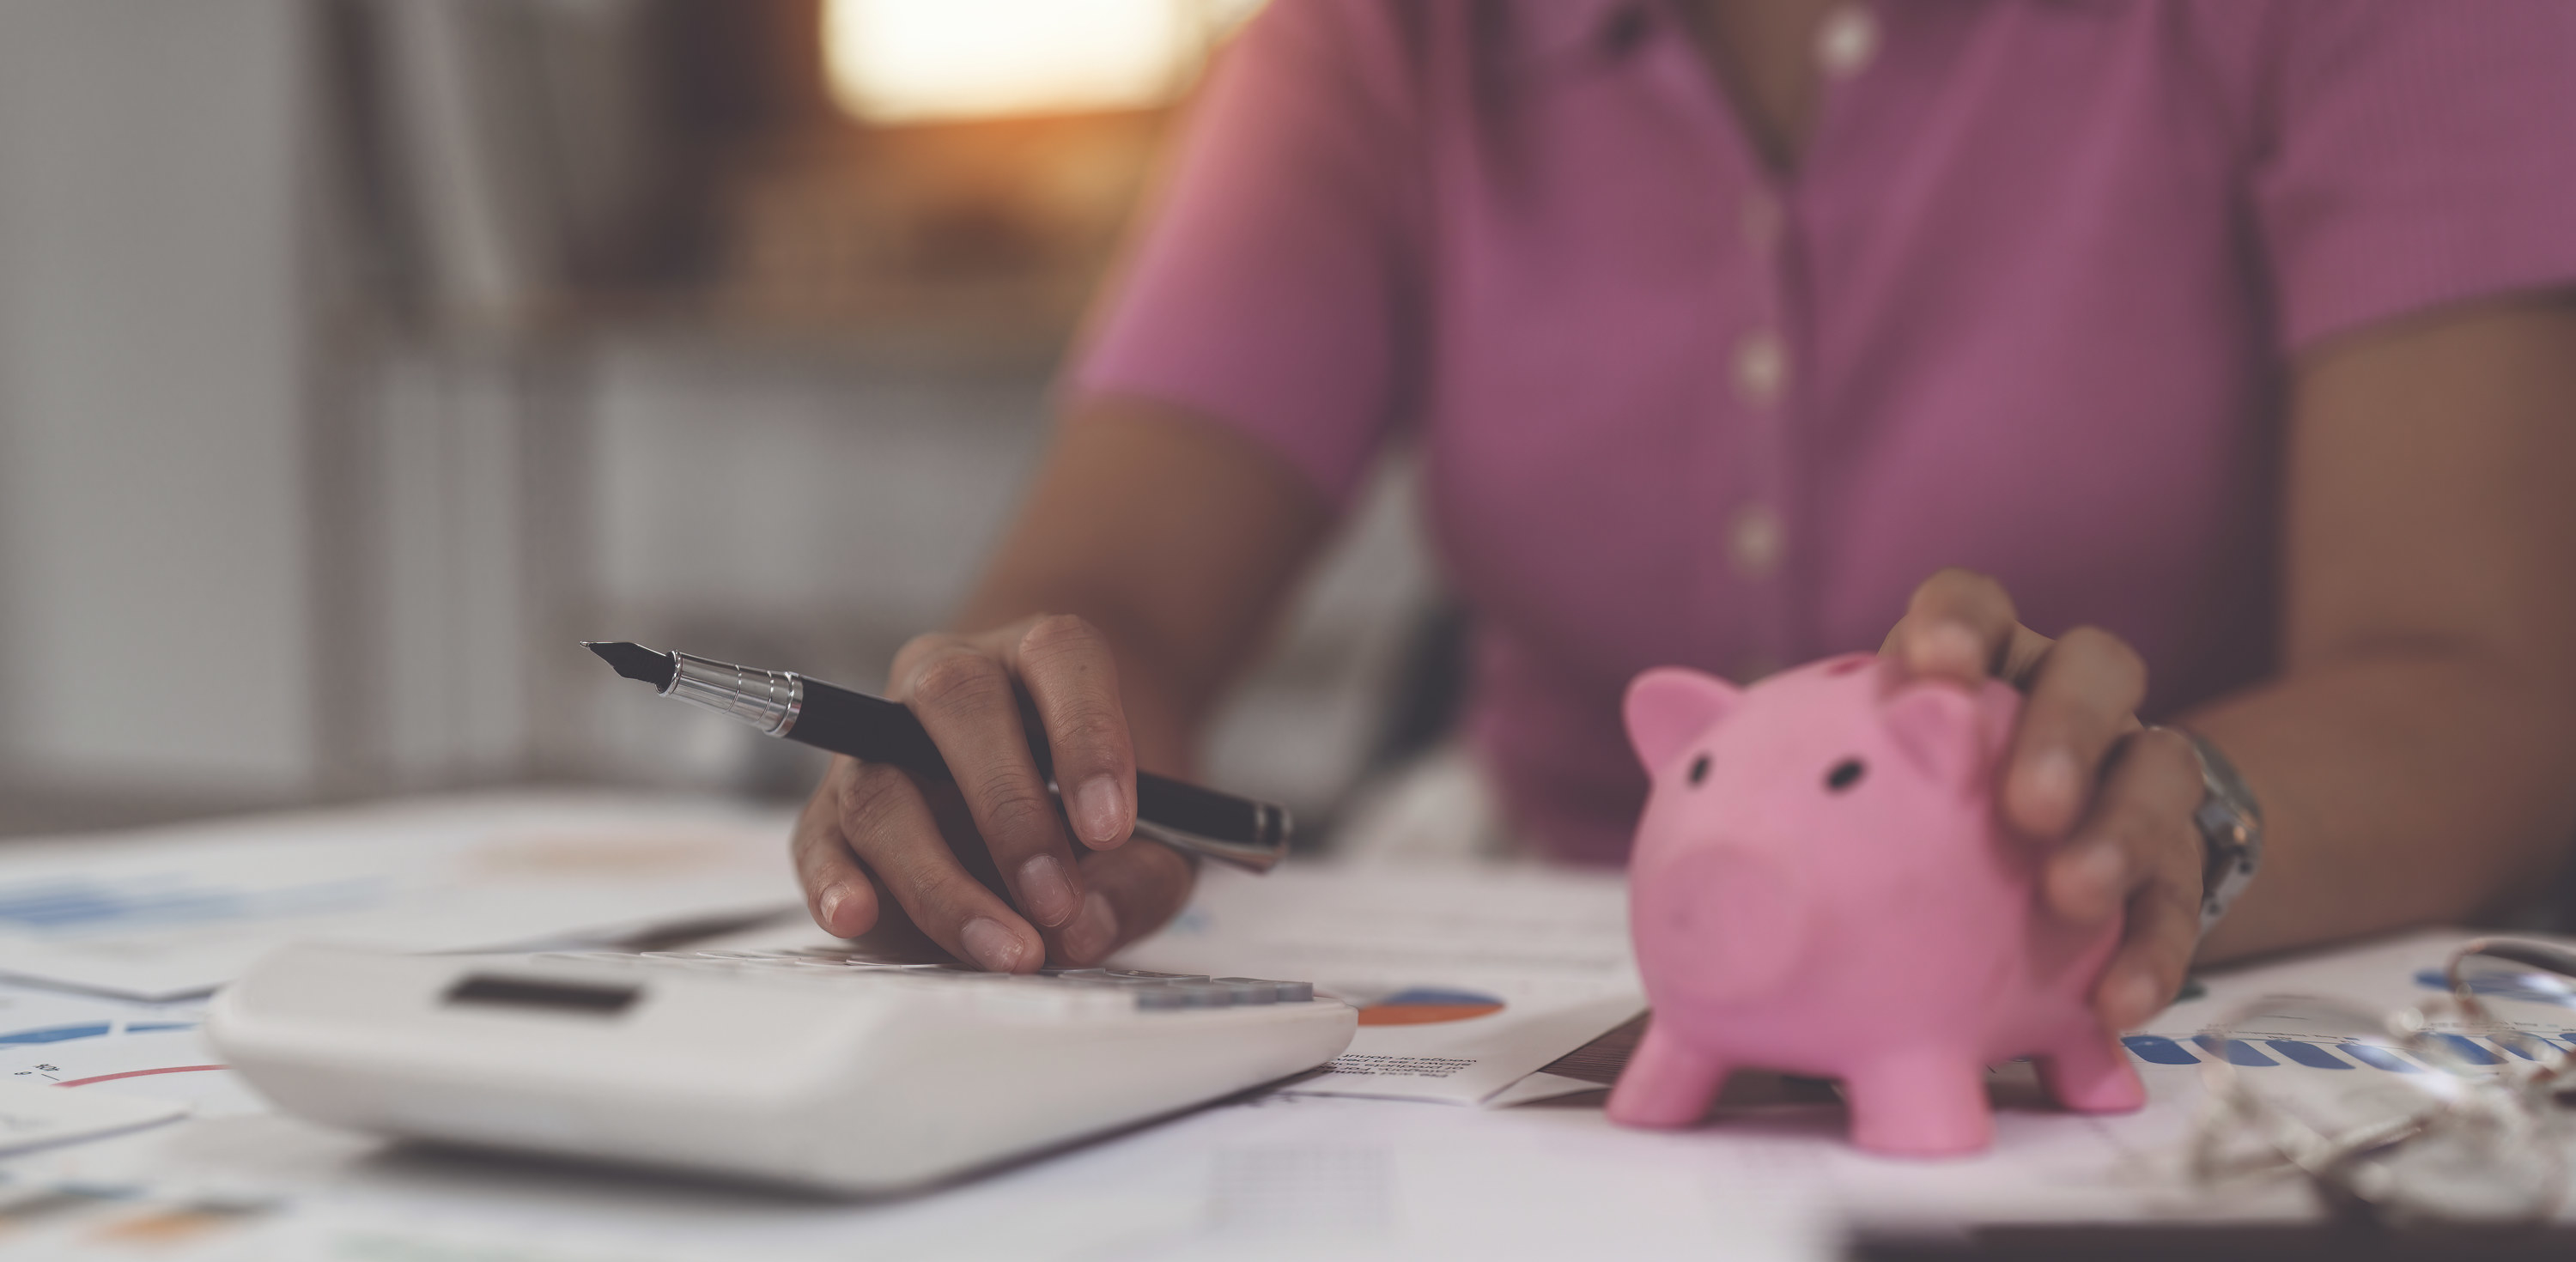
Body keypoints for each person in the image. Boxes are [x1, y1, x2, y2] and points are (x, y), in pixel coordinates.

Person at [793, 0, 2576, 1033]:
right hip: (1550, 990)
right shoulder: (1377, 38)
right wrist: (1023, 769)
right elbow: (1116, 600)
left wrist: (2174, 823)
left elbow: (2472, 675)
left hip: (2150, 992)